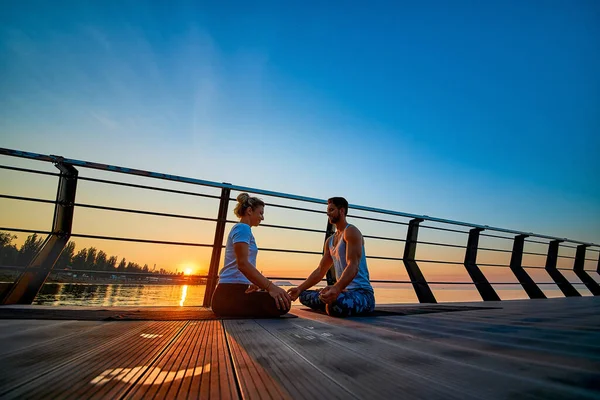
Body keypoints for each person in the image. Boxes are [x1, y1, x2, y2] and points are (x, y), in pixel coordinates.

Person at [288, 197, 375, 317]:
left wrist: (336, 288)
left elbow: (353, 266)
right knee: (303, 296)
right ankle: (330, 300)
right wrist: (299, 288)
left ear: (342, 211)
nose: (328, 213)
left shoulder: (351, 232)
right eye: (327, 210)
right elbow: (320, 271)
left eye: (332, 210)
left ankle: (332, 302)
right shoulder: (330, 241)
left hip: (362, 294)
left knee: (335, 305)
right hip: (342, 291)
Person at [211, 193, 292, 318]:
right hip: (228, 295)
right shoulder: (243, 228)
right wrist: (271, 287)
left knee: (281, 301)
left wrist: (254, 283)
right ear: (249, 211)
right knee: (281, 304)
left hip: (234, 292)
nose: (262, 218)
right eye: (260, 213)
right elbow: (242, 264)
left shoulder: (242, 229)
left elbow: (242, 265)